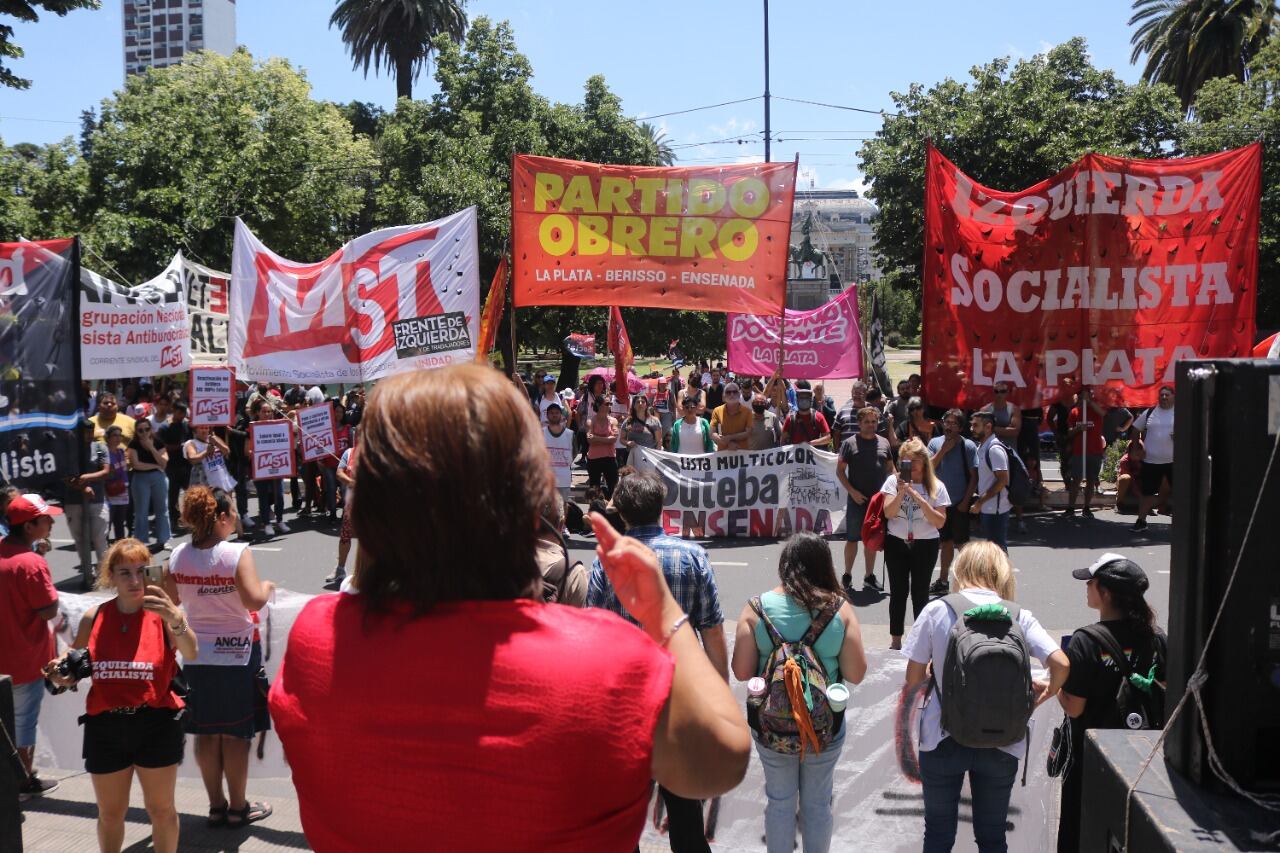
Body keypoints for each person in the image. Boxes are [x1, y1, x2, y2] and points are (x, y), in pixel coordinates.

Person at [269, 365, 748, 849]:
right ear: (526, 493)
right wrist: (664, 614)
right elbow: (723, 758)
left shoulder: (316, 643)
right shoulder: (608, 664)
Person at [588, 471, 731, 853]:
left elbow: (594, 633)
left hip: (626, 704)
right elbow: (713, 631)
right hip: (680, 702)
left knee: (622, 819)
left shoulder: (607, 562)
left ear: (625, 515)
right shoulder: (692, 557)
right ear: (661, 509)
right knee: (686, 817)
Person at [902, 542, 1070, 853]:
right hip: (1002, 739)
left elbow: (912, 679)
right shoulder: (1019, 615)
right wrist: (1038, 699)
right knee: (992, 837)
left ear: (960, 570)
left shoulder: (938, 610)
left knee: (938, 834)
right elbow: (1061, 664)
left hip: (942, 737)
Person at [44, 538, 196, 853]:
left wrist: (175, 618)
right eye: (124, 572)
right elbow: (75, 664)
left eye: (142, 571)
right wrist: (62, 671)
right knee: (110, 813)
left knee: (161, 810)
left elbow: (191, 651)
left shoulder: (164, 616)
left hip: (156, 723)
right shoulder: (94, 617)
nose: (135, 580)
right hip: (105, 727)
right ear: (111, 576)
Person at [730, 532, 868, 853]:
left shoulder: (756, 609)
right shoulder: (840, 610)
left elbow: (740, 671)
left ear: (785, 565)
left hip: (772, 727)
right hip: (825, 728)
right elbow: (856, 673)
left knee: (779, 802)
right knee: (818, 805)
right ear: (825, 566)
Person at [166, 486, 275, 828]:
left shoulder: (178, 556)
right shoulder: (236, 553)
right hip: (237, 654)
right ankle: (238, 808)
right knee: (235, 734)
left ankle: (216, 806)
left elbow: (171, 604)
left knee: (206, 733)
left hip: (195, 653)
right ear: (222, 518)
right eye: (234, 514)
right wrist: (269, 586)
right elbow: (255, 601)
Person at [1056, 553, 1165, 853]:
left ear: (1105, 592)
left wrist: (1056, 685)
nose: (1086, 587)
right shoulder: (1156, 638)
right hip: (1145, 759)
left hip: (1091, 761)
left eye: (1090, 582)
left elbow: (1074, 707)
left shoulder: (1085, 641)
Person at [0, 494, 63, 799]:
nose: (51, 522)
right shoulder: (32, 564)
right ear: (29, 527)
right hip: (25, 661)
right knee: (24, 723)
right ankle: (23, 781)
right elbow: (49, 609)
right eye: (46, 518)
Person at [880, 438, 950, 649]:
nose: (909, 465)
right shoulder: (893, 482)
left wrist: (918, 496)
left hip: (925, 544)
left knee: (920, 593)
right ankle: (896, 639)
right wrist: (902, 491)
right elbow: (888, 512)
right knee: (898, 592)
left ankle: (921, 641)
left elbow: (939, 521)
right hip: (897, 542)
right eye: (904, 461)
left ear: (924, 461)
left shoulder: (937, 486)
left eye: (914, 461)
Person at [836, 406, 894, 596]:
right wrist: (852, 492)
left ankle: (869, 577)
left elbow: (890, 469)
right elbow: (840, 471)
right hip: (857, 501)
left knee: (873, 540)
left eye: (874, 422)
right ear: (859, 424)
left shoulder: (884, 442)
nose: (871, 425)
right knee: (852, 539)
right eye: (867, 422)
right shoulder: (850, 443)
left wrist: (895, 487)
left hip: (878, 502)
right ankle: (847, 575)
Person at [928, 411, 978, 595]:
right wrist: (943, 450)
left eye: (953, 423)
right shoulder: (935, 443)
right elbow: (929, 468)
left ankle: (970, 582)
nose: (948, 426)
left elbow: (974, 477)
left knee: (962, 545)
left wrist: (966, 501)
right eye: (946, 422)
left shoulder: (968, 446)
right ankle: (942, 581)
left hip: (959, 503)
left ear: (961, 427)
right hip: (940, 504)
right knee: (945, 543)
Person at [65, 422, 111, 586]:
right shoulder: (69, 450)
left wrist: (87, 479)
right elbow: (65, 475)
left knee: (100, 539)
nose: (89, 435)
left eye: (91, 432)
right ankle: (87, 574)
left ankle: (104, 574)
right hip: (73, 501)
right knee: (80, 540)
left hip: (97, 500)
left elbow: (105, 471)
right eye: (85, 432)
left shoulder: (99, 447)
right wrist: (81, 487)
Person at [1132, 385, 1175, 532]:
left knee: (1181, 493)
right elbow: (1135, 428)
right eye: (1161, 395)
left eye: (1167, 395)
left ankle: (1182, 524)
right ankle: (1141, 521)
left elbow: (1191, 433)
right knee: (1147, 494)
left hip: (1174, 462)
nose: (1164, 397)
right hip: (1151, 461)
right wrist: (1136, 447)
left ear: (1173, 397)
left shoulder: (1181, 413)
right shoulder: (1150, 412)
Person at [969, 412, 1010, 552]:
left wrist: (980, 502)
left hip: (996, 509)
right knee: (994, 549)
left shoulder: (994, 449)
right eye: (971, 425)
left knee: (998, 550)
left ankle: (1004, 574)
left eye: (975, 425)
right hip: (989, 508)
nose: (971, 428)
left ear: (988, 427)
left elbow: (1003, 480)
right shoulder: (983, 446)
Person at [127, 417, 171, 551]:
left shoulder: (158, 442)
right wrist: (154, 465)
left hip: (159, 477)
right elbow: (136, 464)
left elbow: (164, 463)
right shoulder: (133, 444)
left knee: (162, 509)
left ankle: (164, 539)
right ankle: (140, 541)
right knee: (141, 511)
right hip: (140, 478)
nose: (144, 433)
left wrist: (151, 448)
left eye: (147, 429)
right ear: (136, 432)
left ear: (151, 429)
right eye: (140, 431)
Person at [249, 399, 290, 537]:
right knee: (263, 496)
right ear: (258, 413)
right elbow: (247, 450)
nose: (267, 414)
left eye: (269, 411)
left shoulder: (278, 426)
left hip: (277, 467)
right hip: (261, 467)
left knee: (279, 495)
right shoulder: (252, 428)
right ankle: (266, 523)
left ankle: (279, 521)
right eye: (264, 411)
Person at [1064, 390, 1107, 518]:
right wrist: (1078, 428)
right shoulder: (1074, 412)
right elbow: (1069, 432)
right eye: (1082, 394)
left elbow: (1103, 413)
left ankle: (1086, 507)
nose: (1084, 396)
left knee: (1091, 480)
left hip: (1095, 451)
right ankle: (1070, 508)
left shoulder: (1096, 410)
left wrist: (1089, 402)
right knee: (1076, 480)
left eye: (1086, 394)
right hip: (1079, 452)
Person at [325, 438, 359, 591]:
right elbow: (339, 473)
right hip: (352, 504)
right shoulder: (349, 453)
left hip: (374, 505)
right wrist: (352, 482)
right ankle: (340, 569)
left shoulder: (377, 453)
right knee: (345, 536)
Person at [159, 402, 194, 528]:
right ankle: (173, 520)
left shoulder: (186, 424)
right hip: (171, 466)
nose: (182, 416)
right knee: (172, 495)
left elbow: (191, 439)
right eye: (180, 413)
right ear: (173, 411)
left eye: (184, 413)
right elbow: (162, 446)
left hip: (186, 464)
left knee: (190, 493)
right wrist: (180, 446)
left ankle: (190, 518)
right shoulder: (164, 427)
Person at [586, 393, 621, 497]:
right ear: (599, 405)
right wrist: (606, 439)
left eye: (610, 403)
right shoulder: (590, 421)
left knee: (613, 488)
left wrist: (597, 438)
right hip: (594, 459)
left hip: (609, 458)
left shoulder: (613, 421)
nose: (610, 405)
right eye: (607, 403)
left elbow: (614, 439)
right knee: (594, 489)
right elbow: (590, 440)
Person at [543, 402, 575, 507]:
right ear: (547, 415)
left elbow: (575, 452)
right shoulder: (541, 433)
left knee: (563, 508)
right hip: (547, 479)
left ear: (561, 415)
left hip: (564, 479)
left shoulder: (570, 434)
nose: (554, 415)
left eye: (557, 413)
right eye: (551, 413)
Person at [103, 425, 132, 541]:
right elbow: (105, 474)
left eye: (120, 435)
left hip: (123, 491)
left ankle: (120, 549)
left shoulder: (121, 451)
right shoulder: (104, 453)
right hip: (110, 492)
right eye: (115, 435)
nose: (118, 438)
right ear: (108, 437)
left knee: (120, 523)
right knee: (107, 523)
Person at [709, 382, 753, 452]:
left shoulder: (748, 412)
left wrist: (730, 437)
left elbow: (748, 433)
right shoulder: (717, 411)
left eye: (734, 392)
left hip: (742, 454)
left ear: (739, 394)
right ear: (724, 395)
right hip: (723, 454)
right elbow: (712, 433)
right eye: (728, 392)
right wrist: (728, 443)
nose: (732, 394)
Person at [621, 394, 663, 462]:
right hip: (632, 457)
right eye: (637, 402)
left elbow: (659, 441)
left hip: (650, 458)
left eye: (643, 402)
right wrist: (627, 442)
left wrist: (656, 457)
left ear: (646, 405)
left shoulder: (654, 421)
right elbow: (622, 439)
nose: (640, 404)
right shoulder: (628, 421)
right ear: (634, 405)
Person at [831, 380, 868, 446]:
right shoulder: (843, 410)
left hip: (867, 452)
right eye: (854, 393)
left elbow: (881, 432)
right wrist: (837, 451)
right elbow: (836, 433)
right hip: (846, 453)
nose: (856, 396)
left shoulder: (873, 411)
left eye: (860, 393)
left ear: (865, 394)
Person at [1115, 439, 1145, 512]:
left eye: (1139, 450)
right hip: (1128, 484)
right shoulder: (1124, 461)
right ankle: (1119, 503)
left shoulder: (1146, 459)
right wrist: (1140, 497)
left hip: (1139, 483)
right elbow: (1132, 481)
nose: (1136, 453)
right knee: (1125, 478)